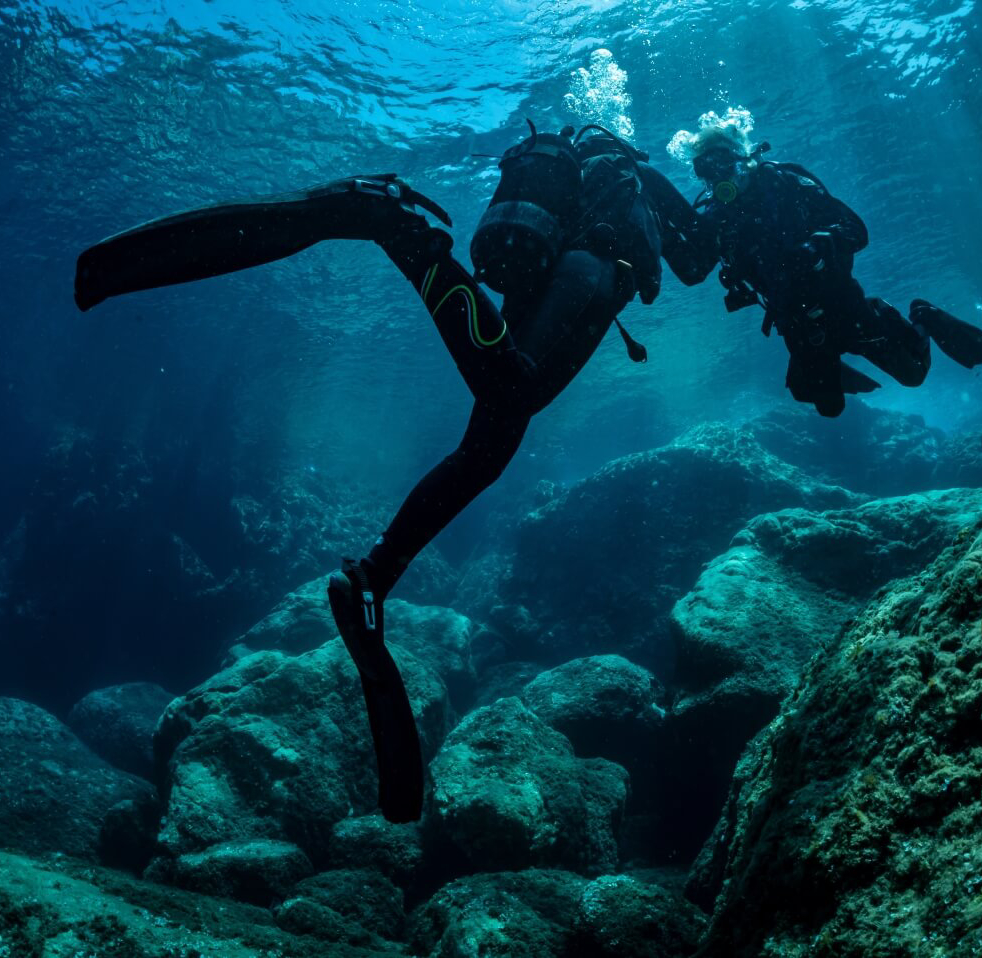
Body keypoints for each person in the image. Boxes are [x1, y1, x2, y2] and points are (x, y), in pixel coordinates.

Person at [74, 124, 710, 822]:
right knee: (513, 395)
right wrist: (721, 219)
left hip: (549, 275)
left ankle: (375, 576)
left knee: (490, 448)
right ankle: (391, 226)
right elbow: (693, 262)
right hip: (588, 270)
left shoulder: (593, 178)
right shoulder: (635, 177)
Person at [682, 127, 982, 416]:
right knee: (829, 407)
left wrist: (820, 243)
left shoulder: (783, 182)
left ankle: (923, 316)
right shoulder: (716, 217)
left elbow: (856, 230)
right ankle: (827, 370)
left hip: (841, 305)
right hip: (794, 324)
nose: (716, 175)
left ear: (741, 155)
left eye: (720, 160)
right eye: (704, 169)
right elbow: (693, 269)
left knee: (913, 374)